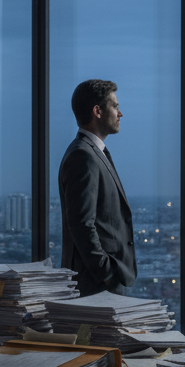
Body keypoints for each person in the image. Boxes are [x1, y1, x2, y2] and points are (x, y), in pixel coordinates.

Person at [58, 79, 136, 296]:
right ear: (97, 111)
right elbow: (82, 223)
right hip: (94, 285)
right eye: (115, 106)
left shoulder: (91, 152)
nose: (120, 114)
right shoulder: (83, 156)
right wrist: (107, 274)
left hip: (98, 282)